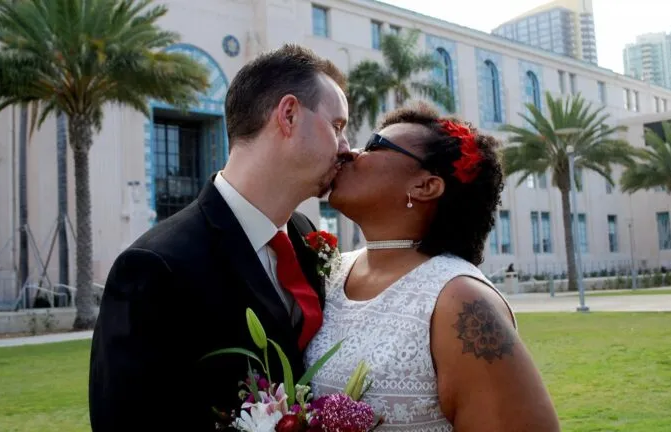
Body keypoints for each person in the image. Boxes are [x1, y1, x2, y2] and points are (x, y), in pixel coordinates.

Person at [88, 44, 351, 431]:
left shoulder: (306, 236)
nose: (346, 147)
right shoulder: (154, 268)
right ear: (289, 115)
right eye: (338, 126)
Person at [304, 102, 561, 431]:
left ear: (425, 186)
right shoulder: (331, 271)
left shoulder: (460, 300)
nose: (350, 153)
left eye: (374, 146)